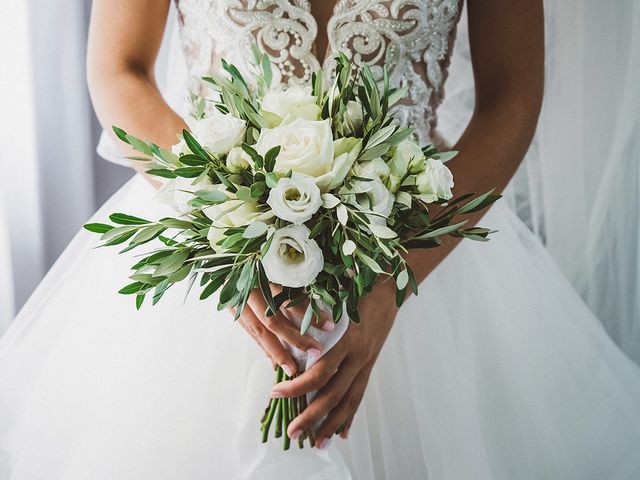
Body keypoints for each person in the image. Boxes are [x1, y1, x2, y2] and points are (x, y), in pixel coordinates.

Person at [1, 1, 639, 478]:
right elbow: (118, 68)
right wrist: (224, 231)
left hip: (420, 249)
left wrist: (395, 276)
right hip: (212, 241)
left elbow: (511, 96)